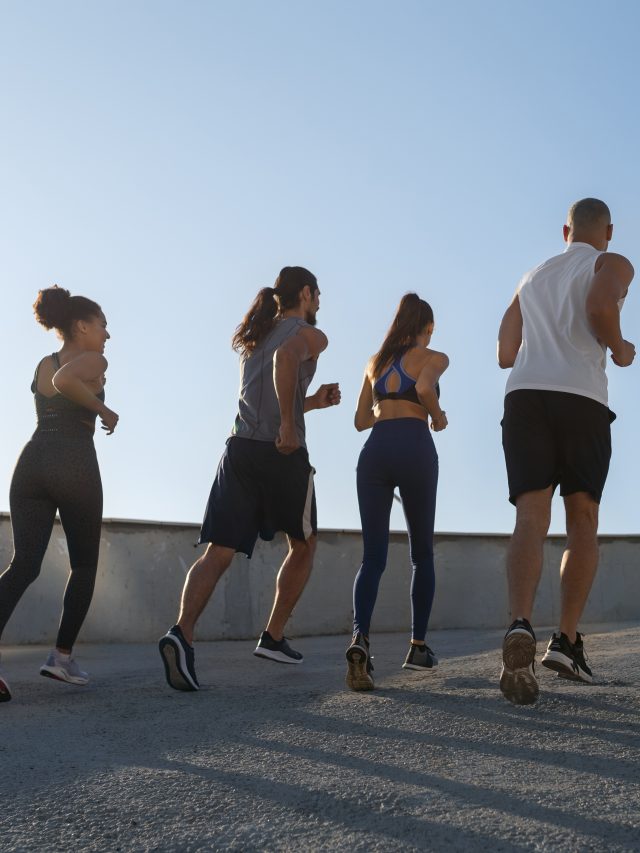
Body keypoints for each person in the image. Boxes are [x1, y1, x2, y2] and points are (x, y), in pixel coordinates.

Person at [159, 266, 340, 691]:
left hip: (239, 450)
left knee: (218, 551)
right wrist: (292, 429)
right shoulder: (312, 334)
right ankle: (273, 636)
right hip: (281, 454)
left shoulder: (257, 333)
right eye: (318, 294)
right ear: (307, 293)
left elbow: (268, 396)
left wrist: (309, 403)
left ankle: (181, 634)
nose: (320, 302)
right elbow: (286, 360)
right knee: (304, 543)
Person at [497, 198, 635, 705]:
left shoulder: (531, 276)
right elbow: (601, 307)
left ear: (565, 231)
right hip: (581, 399)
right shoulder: (612, 263)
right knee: (583, 519)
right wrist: (620, 350)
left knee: (531, 517)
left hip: (525, 395)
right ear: (609, 231)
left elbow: (505, 352)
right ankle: (567, 640)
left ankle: (520, 624)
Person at [0, 286, 119, 703]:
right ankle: (61, 657)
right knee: (84, 565)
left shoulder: (42, 361)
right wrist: (103, 408)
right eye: (103, 325)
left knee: (23, 566)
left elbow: (52, 380)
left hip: (31, 462)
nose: (107, 334)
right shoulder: (93, 359)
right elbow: (64, 379)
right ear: (82, 326)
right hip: (73, 461)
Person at [345, 293, 449, 691]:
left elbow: (359, 420)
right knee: (421, 554)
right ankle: (417, 647)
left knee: (373, 557)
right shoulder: (434, 357)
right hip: (415, 447)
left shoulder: (374, 361)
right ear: (426, 328)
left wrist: (384, 411)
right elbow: (424, 389)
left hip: (375, 452)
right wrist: (437, 417)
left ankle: (360, 640)